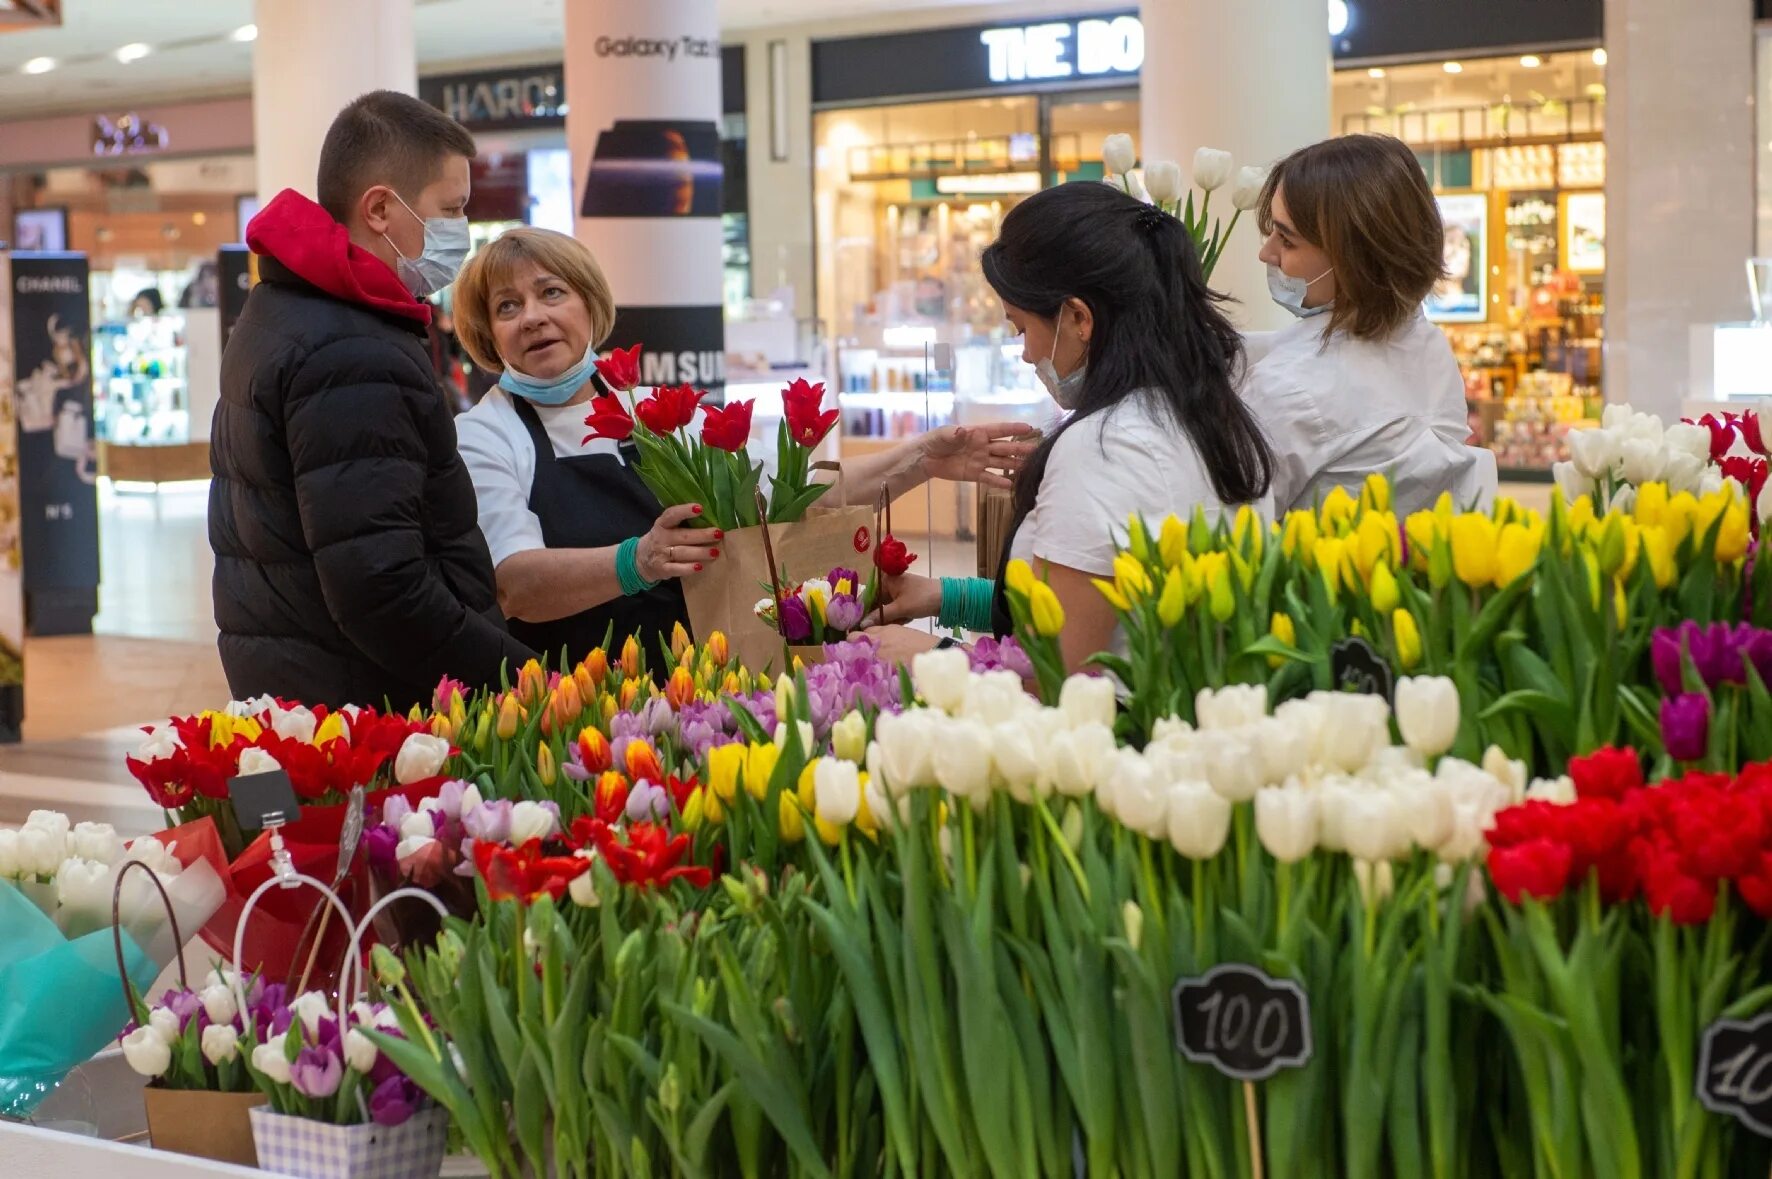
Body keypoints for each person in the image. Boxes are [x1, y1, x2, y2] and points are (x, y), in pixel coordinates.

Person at [451, 226, 1036, 669]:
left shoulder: (660, 412)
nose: (532, 318)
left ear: (589, 304)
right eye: (507, 307)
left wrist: (920, 461)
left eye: (551, 293)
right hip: (579, 691)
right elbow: (513, 585)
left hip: (710, 679)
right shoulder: (486, 434)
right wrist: (637, 561)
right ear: (487, 332)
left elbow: (780, 502)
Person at [209, 89, 533, 710]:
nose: (459, 233)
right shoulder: (351, 350)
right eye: (451, 209)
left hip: (303, 688)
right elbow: (381, 588)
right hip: (369, 708)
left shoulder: (283, 311)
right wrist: (518, 679)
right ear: (381, 208)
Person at [866, 181, 1274, 671]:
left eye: (1022, 328)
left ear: (1078, 317)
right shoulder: (1214, 415)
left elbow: (1057, 678)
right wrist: (940, 596)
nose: (1026, 353)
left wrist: (932, 655)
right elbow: (1088, 597)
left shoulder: (1102, 447)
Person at [1243, 133, 1497, 517]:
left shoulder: (1288, 388)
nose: (1268, 253)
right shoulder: (1428, 348)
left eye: (1287, 240)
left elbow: (1229, 524)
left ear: (1352, 255)